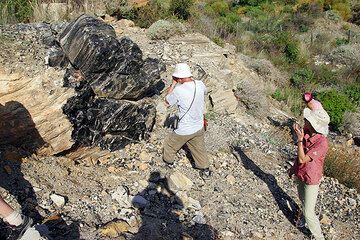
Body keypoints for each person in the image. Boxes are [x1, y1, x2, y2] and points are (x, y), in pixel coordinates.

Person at [163, 63, 211, 179]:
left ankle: (168, 163)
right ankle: (205, 170)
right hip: (199, 126)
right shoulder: (200, 84)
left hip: (185, 129)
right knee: (199, 148)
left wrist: (173, 84)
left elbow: (167, 101)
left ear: (178, 77)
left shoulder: (179, 90)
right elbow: (205, 92)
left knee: (169, 144)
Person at [289, 107, 330, 240]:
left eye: (307, 120)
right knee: (302, 200)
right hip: (301, 173)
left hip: (311, 178)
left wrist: (300, 140)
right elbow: (299, 159)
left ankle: (319, 237)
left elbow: (302, 158)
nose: (304, 121)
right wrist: (294, 169)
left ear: (313, 124)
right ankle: (303, 220)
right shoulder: (307, 132)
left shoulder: (322, 143)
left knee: (309, 212)